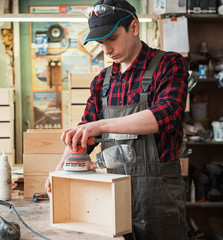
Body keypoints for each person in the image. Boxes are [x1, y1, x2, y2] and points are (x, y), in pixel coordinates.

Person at [45, 0, 189, 239]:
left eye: (112, 38)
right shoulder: (102, 81)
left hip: (157, 195)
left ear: (133, 27)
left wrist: (100, 125)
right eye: (101, 43)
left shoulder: (169, 64)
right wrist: (61, 171)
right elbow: (86, 133)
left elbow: (166, 115)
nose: (107, 49)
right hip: (110, 192)